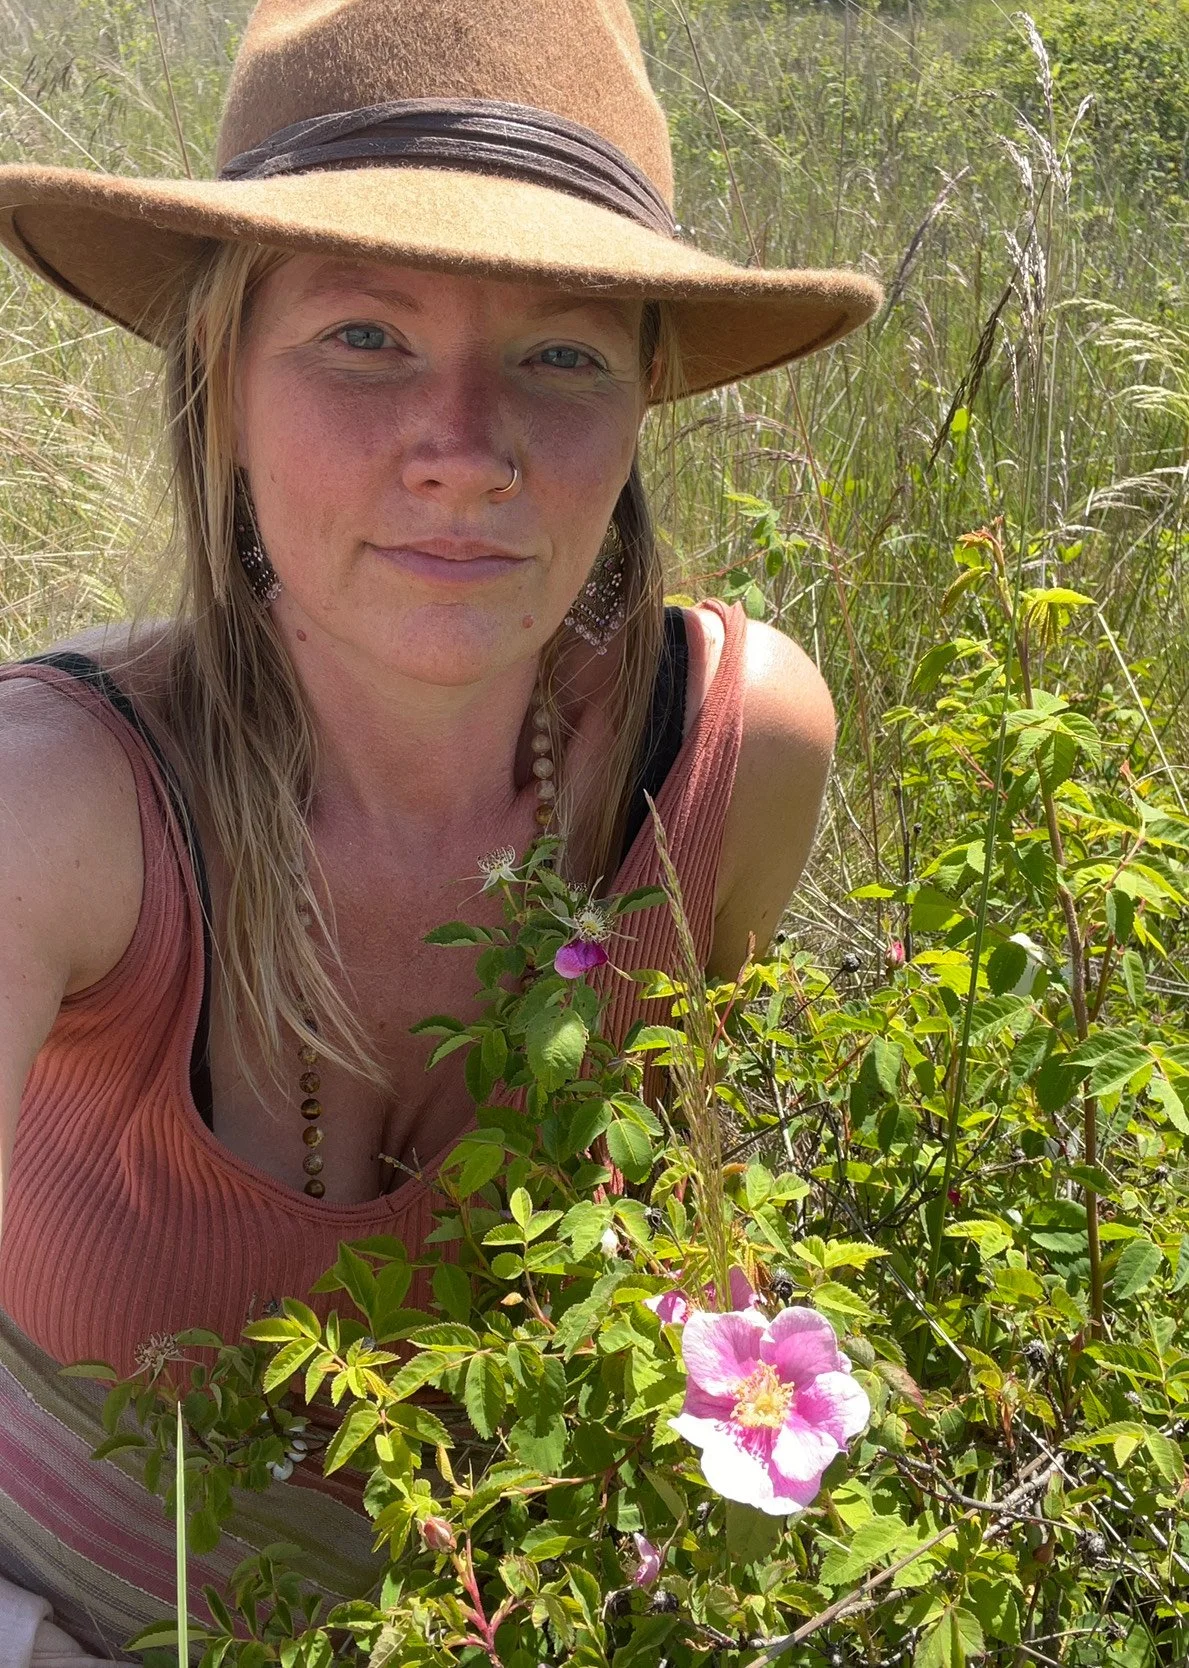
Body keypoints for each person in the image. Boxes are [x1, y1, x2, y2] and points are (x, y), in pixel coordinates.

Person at [0, 0, 881, 1656]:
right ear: (220, 378)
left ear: (639, 403)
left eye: (559, 353)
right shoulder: (50, 801)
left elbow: (681, 1246)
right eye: (364, 338)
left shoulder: (731, 757)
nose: (464, 454)